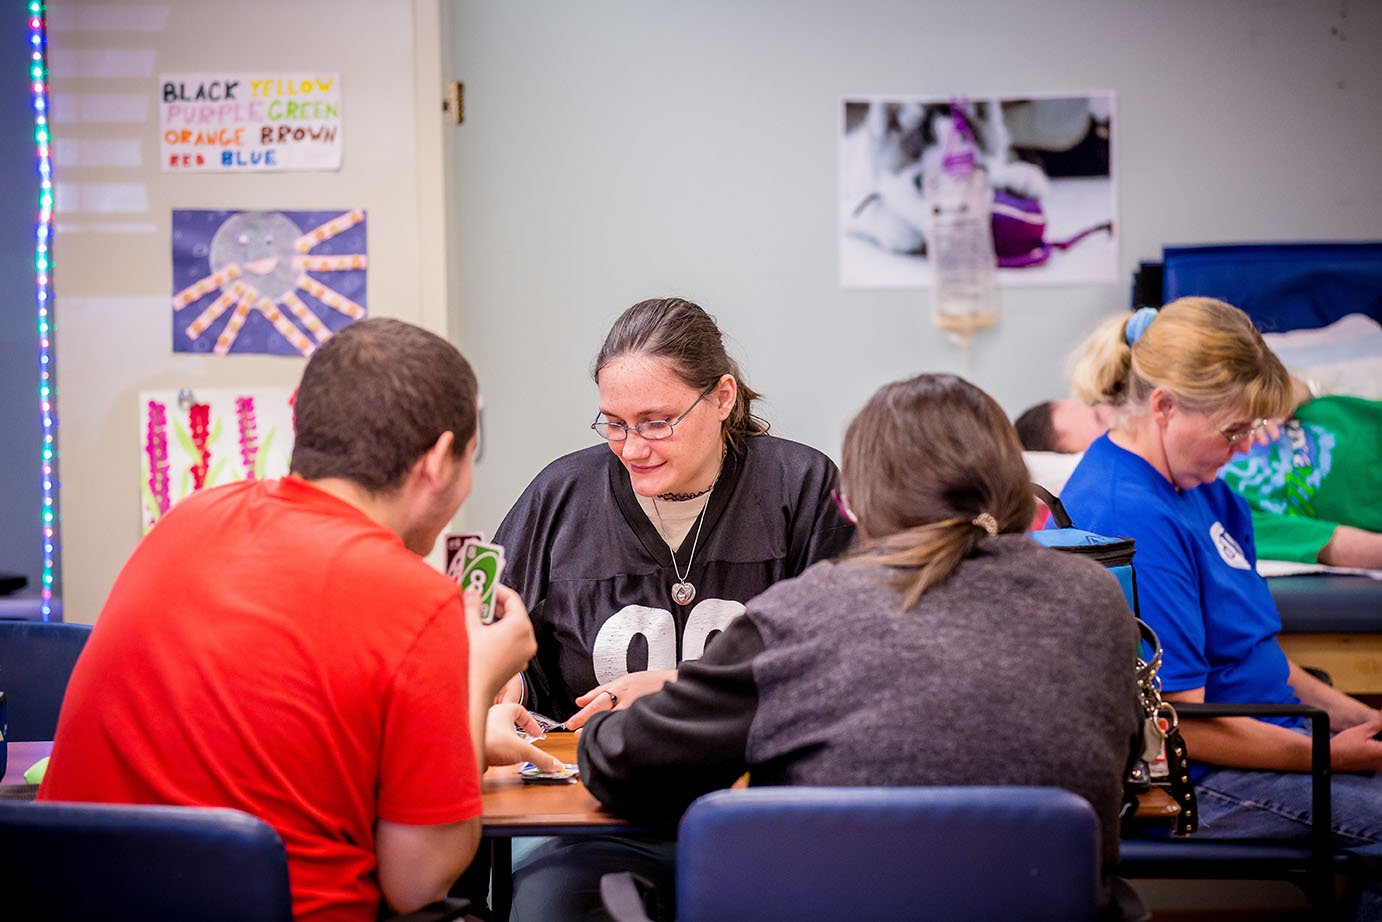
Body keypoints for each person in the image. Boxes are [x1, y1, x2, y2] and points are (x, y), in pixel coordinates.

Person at [40, 319, 560, 922]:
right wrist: (477, 675)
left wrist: (457, 738)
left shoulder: (187, 521)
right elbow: (418, 881)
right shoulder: (422, 604)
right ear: (439, 460)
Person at [577, 372, 1141, 914]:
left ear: (852, 506)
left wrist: (605, 724)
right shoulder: (1098, 603)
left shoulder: (799, 616)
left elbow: (627, 768)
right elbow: (1122, 761)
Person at [492, 296, 855, 921]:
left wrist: (686, 689)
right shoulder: (561, 495)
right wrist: (503, 689)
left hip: (764, 813)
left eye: (657, 422)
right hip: (593, 819)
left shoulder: (803, 488)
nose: (632, 448)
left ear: (722, 397)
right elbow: (488, 631)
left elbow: (850, 663)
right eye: (613, 422)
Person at [1058, 298, 1382, 919]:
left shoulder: (1208, 491)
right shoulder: (1130, 513)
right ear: (1164, 407)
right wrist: (1332, 753)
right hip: (1190, 778)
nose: (1240, 449)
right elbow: (1188, 726)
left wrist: (1353, 717)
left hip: (1272, 732)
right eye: (1232, 431)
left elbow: (1257, 655)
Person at [1017, 392, 1382, 569]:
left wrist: (1281, 392)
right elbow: (1326, 542)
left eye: (1101, 407)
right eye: (1103, 426)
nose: (1119, 414)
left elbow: (1281, 377)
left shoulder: (1199, 401)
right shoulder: (1203, 489)